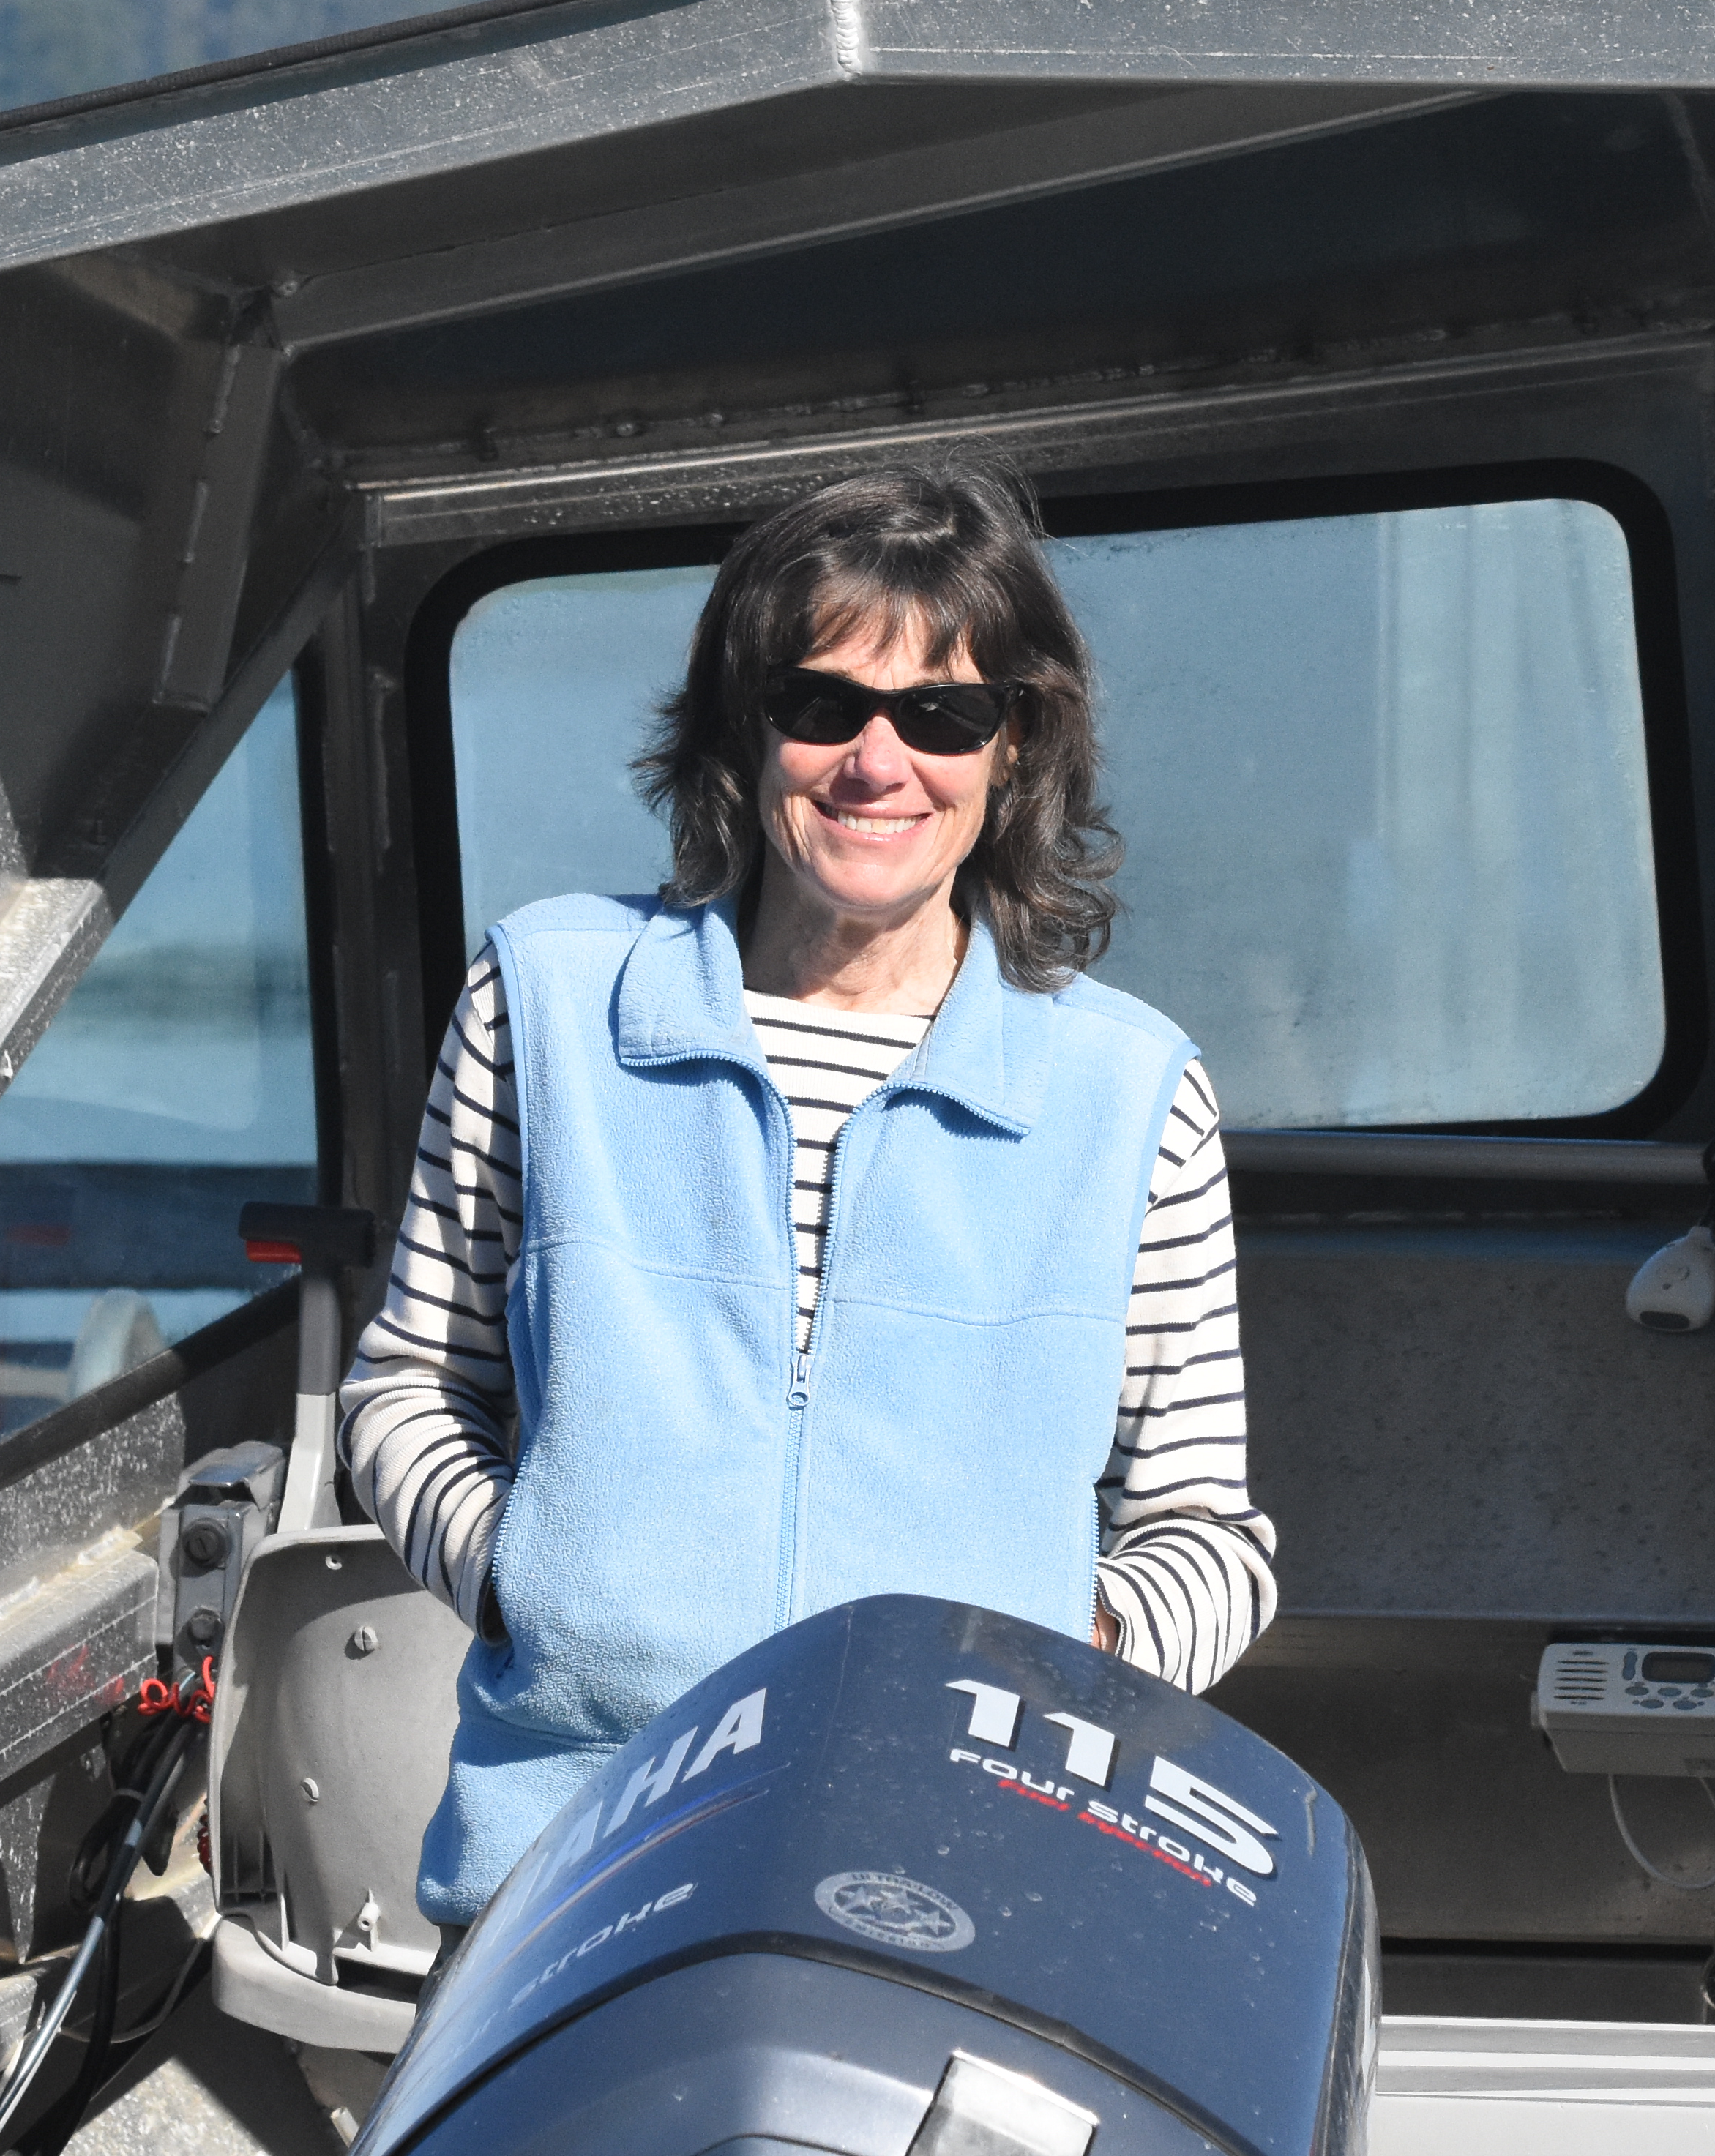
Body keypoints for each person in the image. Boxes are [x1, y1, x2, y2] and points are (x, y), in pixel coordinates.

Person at [340, 462, 1279, 1924]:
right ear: (746, 725)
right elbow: (406, 1387)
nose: (876, 761)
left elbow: (1207, 1532)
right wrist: (533, 1593)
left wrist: (1056, 1662)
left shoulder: (1135, 1094)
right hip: (570, 1864)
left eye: (943, 713)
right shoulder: (546, 999)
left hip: (965, 1881)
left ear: (1014, 746)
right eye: (821, 704)